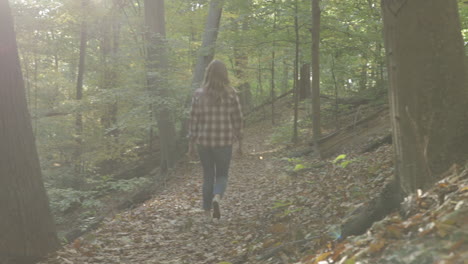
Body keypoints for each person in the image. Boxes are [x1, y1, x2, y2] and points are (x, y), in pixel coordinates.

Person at [187, 59, 243, 221]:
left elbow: (193, 121)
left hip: (203, 142)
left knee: (208, 175)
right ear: (224, 74)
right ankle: (217, 197)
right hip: (224, 142)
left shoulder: (198, 94)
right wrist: (240, 143)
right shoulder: (231, 93)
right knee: (222, 175)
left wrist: (190, 144)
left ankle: (206, 212)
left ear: (208, 74)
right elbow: (238, 119)